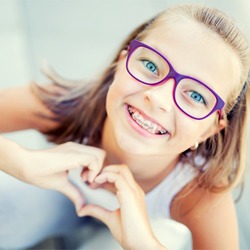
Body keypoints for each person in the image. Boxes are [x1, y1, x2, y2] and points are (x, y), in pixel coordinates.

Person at [0, 3, 249, 249]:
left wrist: (144, 244)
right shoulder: (64, 104)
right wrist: (20, 161)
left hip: (146, 231)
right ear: (122, 64)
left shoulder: (200, 193)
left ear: (209, 129)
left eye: (195, 96)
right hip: (60, 200)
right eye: (150, 66)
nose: (159, 99)